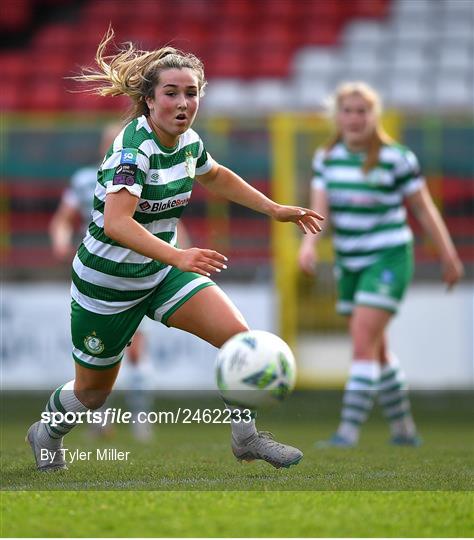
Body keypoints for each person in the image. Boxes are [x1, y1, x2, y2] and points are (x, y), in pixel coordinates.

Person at [27, 27, 323, 471]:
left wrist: (274, 208)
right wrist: (180, 256)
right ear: (149, 99)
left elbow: (216, 175)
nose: (183, 104)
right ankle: (46, 431)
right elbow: (117, 223)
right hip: (106, 285)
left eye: (191, 93)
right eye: (171, 93)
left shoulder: (188, 142)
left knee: (240, 341)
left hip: (161, 274)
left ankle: (246, 439)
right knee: (91, 395)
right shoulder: (132, 151)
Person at [298, 82, 464, 447]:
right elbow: (319, 210)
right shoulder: (326, 158)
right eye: (348, 111)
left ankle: (347, 431)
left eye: (362, 111)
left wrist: (448, 254)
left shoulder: (396, 157)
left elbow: (423, 207)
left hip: (389, 257)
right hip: (350, 262)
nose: (355, 118)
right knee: (377, 348)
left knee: (361, 341)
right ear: (337, 117)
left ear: (375, 116)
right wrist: (308, 246)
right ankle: (404, 429)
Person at [49, 123, 154, 442]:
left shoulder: (145, 176)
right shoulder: (85, 181)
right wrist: (60, 240)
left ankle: (140, 421)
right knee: (96, 351)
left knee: (134, 349)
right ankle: (100, 420)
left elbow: (167, 222)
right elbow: (63, 220)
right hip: (96, 273)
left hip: (135, 274)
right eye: (113, 145)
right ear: (103, 149)